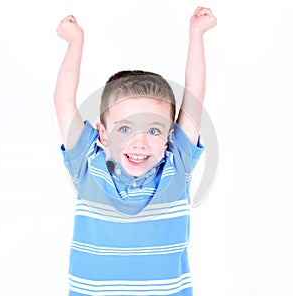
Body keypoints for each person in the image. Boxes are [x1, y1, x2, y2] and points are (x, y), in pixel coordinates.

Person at [54, 6, 216, 296]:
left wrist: (197, 33)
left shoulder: (177, 165)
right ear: (102, 133)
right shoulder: (87, 163)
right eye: (125, 129)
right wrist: (75, 41)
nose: (139, 143)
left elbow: (195, 94)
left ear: (169, 137)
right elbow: (63, 101)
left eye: (153, 130)